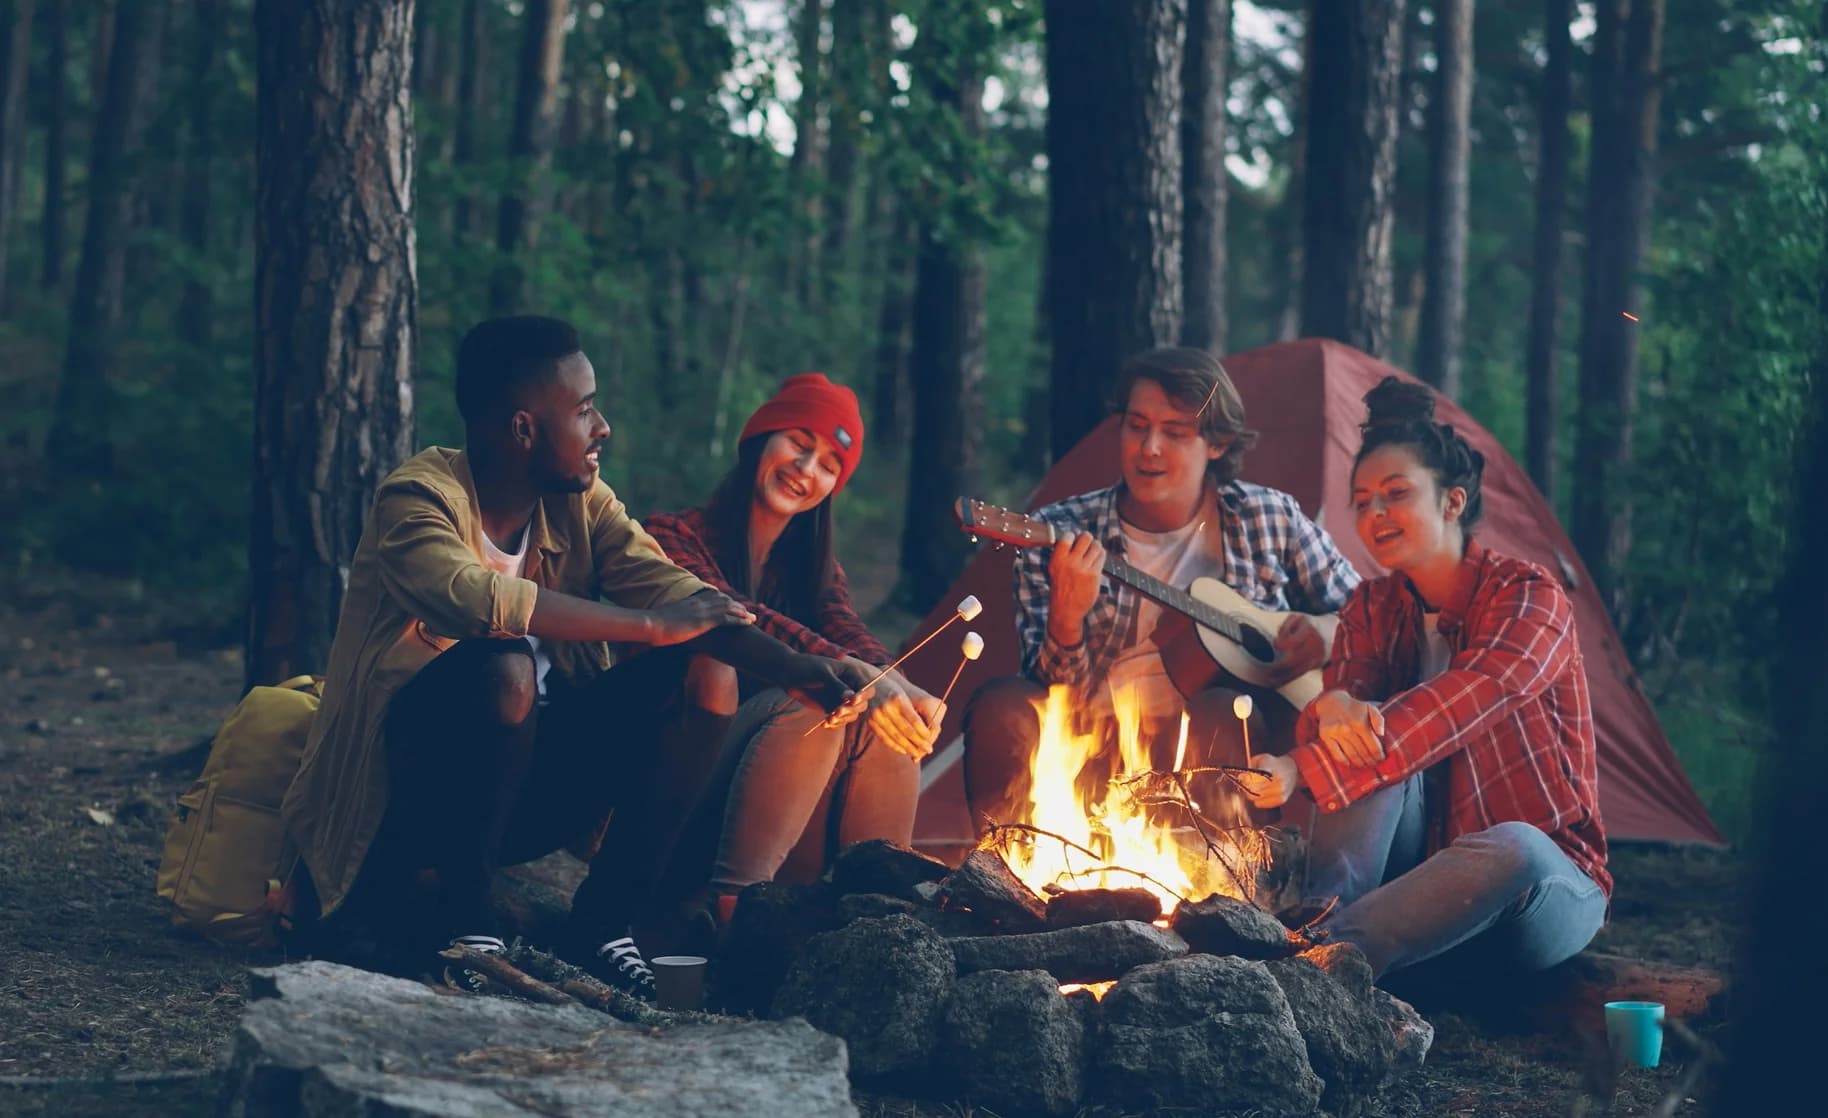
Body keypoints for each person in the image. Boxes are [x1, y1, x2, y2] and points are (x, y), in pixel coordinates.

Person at [281, 316, 868, 998]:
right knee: (505, 668)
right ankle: (469, 926)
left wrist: (798, 669)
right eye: (585, 409)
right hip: (406, 798)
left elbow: (681, 595)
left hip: (526, 795)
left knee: (703, 667)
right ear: (524, 429)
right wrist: (650, 625)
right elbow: (474, 597)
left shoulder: (581, 503)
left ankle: (605, 923)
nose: (603, 428)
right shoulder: (417, 498)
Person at [1237, 376, 1609, 979]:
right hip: (1416, 890)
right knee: (1358, 742)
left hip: (1542, 886)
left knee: (1515, 845)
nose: (1375, 514)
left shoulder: (1529, 597)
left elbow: (1461, 703)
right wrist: (1333, 707)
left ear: (1452, 502)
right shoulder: (1370, 609)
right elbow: (1351, 734)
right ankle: (1323, 927)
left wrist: (1301, 765)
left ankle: (1309, 962)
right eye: (1362, 502)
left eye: (1396, 493)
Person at [963, 346, 1362, 832]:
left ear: (1217, 444)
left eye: (1174, 432)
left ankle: (1237, 875)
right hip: (1095, 754)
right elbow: (1056, 699)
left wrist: (1324, 632)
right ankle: (1001, 870)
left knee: (1224, 710)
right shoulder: (1059, 532)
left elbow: (1369, 615)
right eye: (1137, 426)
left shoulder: (1268, 518)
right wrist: (1067, 619)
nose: (1148, 447)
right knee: (1001, 705)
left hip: (1215, 751)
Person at [642, 374, 944, 924]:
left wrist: (894, 682)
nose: (806, 469)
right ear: (760, 438)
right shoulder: (670, 537)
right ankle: (733, 920)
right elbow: (738, 617)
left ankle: (878, 923)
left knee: (886, 719)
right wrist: (853, 673)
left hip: (787, 822)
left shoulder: (814, 570)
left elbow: (846, 629)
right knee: (811, 699)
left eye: (828, 465)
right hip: (668, 807)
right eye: (799, 444)